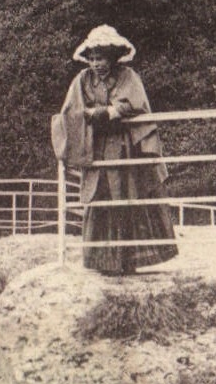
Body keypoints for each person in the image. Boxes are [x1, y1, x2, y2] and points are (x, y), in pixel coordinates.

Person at [52, 24, 177, 275]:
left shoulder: (127, 76)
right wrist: (87, 115)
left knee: (127, 195)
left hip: (123, 145)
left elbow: (134, 104)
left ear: (112, 57)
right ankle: (103, 261)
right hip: (96, 146)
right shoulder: (83, 80)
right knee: (99, 198)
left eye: (101, 58)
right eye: (92, 58)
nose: (96, 64)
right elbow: (70, 111)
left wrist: (107, 112)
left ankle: (128, 260)